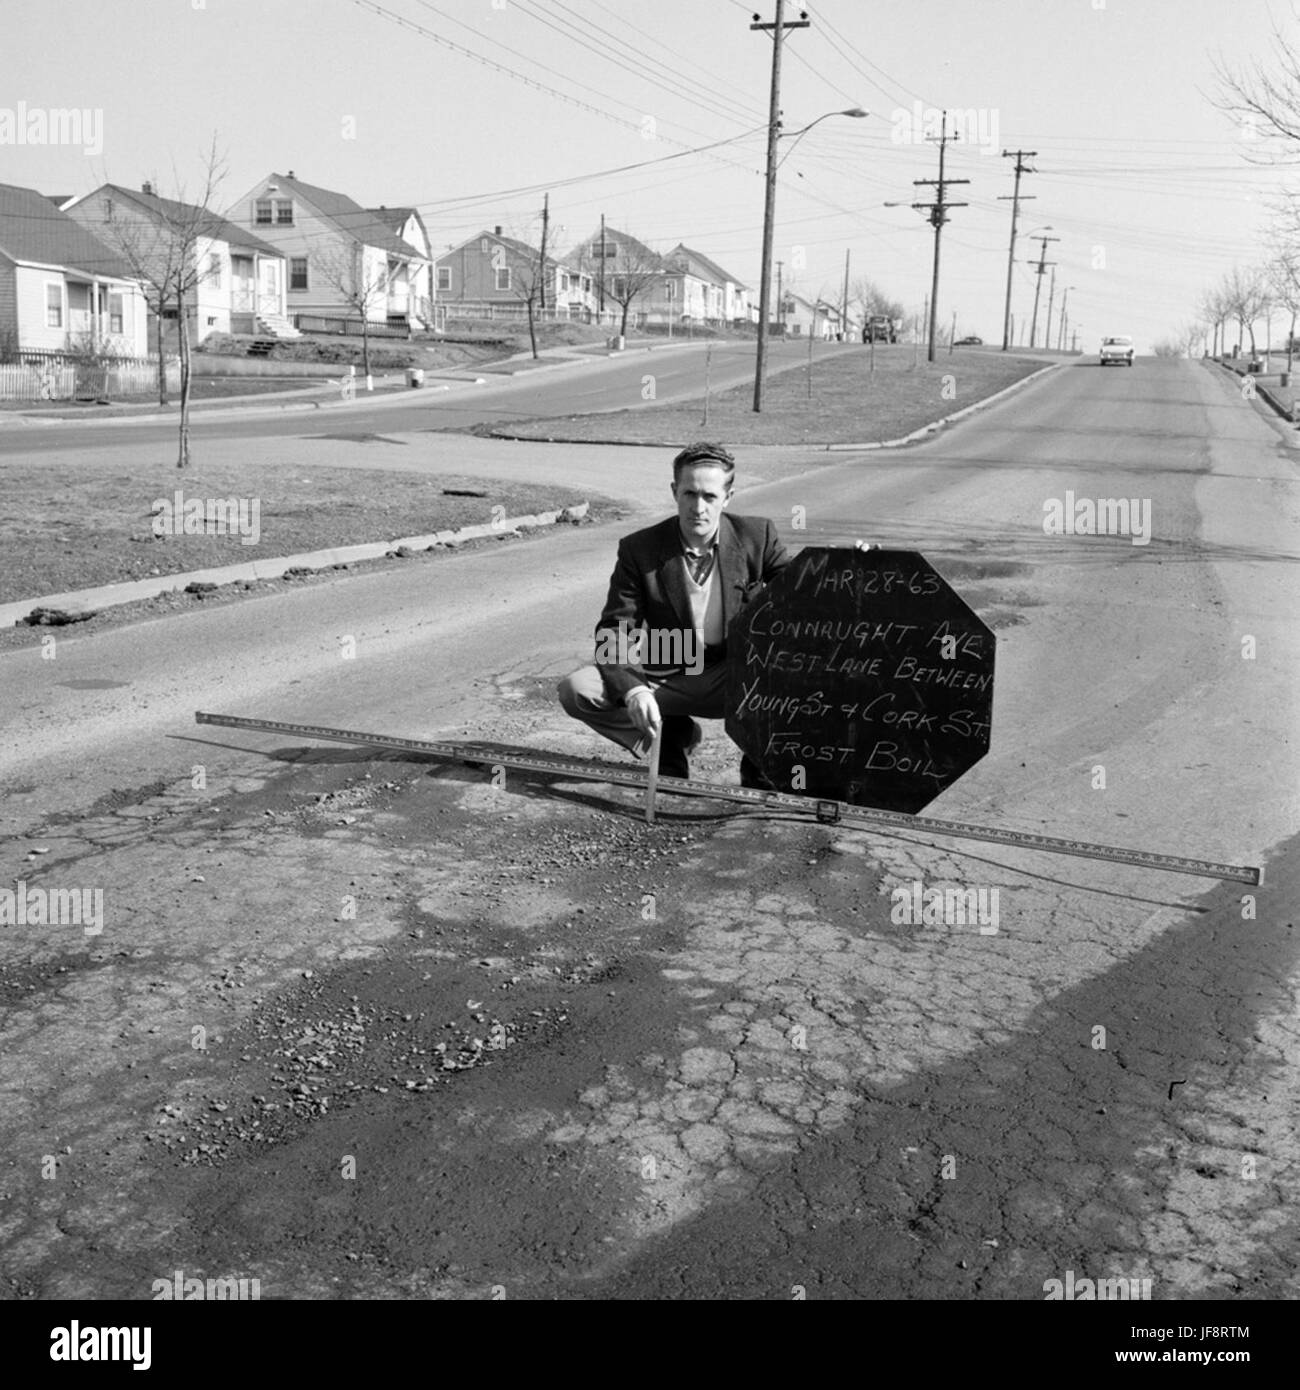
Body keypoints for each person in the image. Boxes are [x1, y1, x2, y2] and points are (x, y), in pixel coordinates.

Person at [559, 441, 873, 786]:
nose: (698, 507)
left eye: (709, 496)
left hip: (738, 673)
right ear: (674, 491)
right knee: (578, 689)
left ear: (728, 496)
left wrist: (849, 570)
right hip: (670, 668)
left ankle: (759, 758)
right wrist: (635, 691)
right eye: (689, 494)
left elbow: (801, 592)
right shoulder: (639, 549)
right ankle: (667, 739)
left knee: (807, 673)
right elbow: (614, 630)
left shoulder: (757, 536)